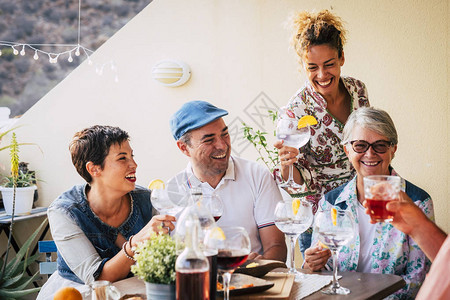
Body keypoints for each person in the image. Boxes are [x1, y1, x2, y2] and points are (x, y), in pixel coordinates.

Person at [303, 107, 433, 299]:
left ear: (393, 150)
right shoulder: (331, 203)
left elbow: (417, 279)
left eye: (380, 145)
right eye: (360, 145)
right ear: (347, 150)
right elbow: (321, 273)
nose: (370, 154)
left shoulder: (417, 202)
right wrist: (312, 265)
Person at [38, 125, 175, 299]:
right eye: (122, 158)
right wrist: (135, 244)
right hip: (78, 293)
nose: (134, 164)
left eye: (131, 156)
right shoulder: (64, 212)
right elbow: (97, 278)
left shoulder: (147, 200)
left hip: (135, 292)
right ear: (94, 169)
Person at [273, 10, 370, 253]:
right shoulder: (295, 111)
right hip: (323, 214)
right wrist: (287, 164)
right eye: (312, 67)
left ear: (342, 58)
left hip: (361, 202)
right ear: (302, 66)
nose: (322, 75)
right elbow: (295, 185)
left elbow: (368, 139)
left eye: (329, 64)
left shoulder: (357, 89)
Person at [169, 100, 287, 261]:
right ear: (184, 148)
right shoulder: (172, 192)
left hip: (254, 281)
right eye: (209, 140)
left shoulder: (257, 175)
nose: (222, 145)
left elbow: (276, 246)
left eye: (225, 134)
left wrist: (259, 268)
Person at [365, 191, 449, 299]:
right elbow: (446, 258)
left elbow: (417, 277)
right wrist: (417, 227)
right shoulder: (336, 198)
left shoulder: (419, 200)